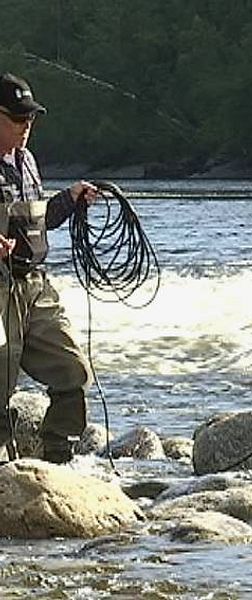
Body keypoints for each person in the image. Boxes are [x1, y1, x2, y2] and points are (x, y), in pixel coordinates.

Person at [0, 72, 97, 463]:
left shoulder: (27, 162)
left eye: (31, 119)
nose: (27, 127)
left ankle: (58, 459)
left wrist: (71, 199)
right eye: (18, 119)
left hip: (36, 289)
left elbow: (38, 220)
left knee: (73, 371)